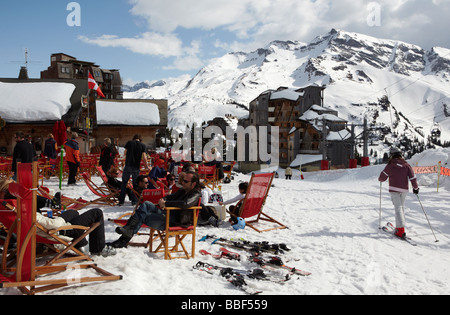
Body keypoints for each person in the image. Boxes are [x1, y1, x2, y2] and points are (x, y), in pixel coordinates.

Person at [109, 171, 202, 248]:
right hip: (167, 215)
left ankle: (123, 239)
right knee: (146, 204)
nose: (182, 182)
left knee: (142, 214)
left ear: (193, 184)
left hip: (177, 222)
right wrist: (163, 200)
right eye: (183, 180)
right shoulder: (182, 190)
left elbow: (185, 204)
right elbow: (169, 197)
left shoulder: (196, 193)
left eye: (185, 181)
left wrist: (166, 204)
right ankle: (126, 233)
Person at [37, 208, 116, 257]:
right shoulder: (32, 214)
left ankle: (81, 244)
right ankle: (98, 249)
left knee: (73, 213)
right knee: (97, 213)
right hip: (65, 232)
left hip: (58, 231)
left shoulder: (26, 216)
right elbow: (54, 224)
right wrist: (61, 218)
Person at [378, 146, 419, 238]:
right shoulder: (406, 165)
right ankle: (400, 226)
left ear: (391, 155)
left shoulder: (390, 165)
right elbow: (412, 177)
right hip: (404, 190)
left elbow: (382, 177)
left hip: (394, 189)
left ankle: (400, 229)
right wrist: (415, 188)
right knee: (400, 207)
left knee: (398, 208)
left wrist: (380, 179)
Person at [118, 134, 148, 206]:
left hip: (128, 165)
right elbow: (144, 157)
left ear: (134, 138)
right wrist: (146, 165)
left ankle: (121, 201)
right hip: (136, 167)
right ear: (140, 139)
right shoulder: (142, 145)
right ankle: (134, 201)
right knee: (135, 184)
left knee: (124, 183)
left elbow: (124, 153)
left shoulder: (129, 143)